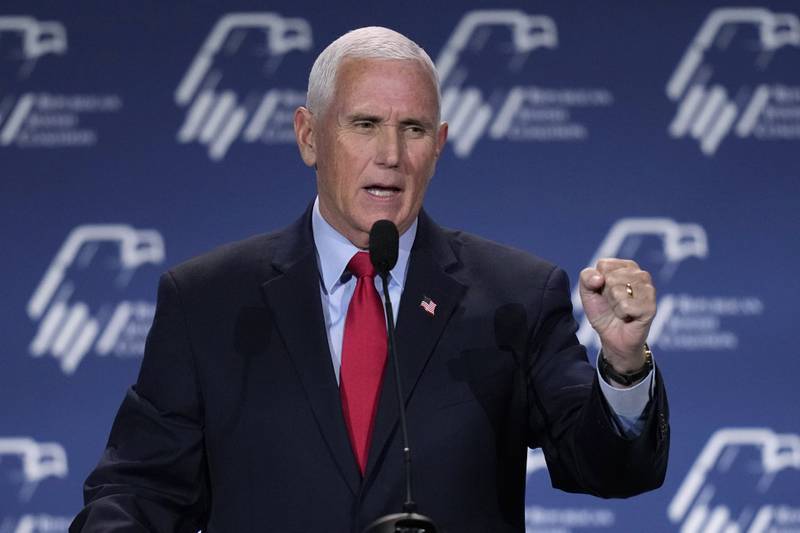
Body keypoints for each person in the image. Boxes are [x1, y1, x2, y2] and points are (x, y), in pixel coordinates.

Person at [71, 26, 668, 533]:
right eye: (364, 124)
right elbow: (140, 492)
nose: (390, 153)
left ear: (438, 147)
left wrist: (621, 366)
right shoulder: (207, 301)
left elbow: (610, 469)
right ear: (309, 136)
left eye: (413, 129)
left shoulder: (515, 296)